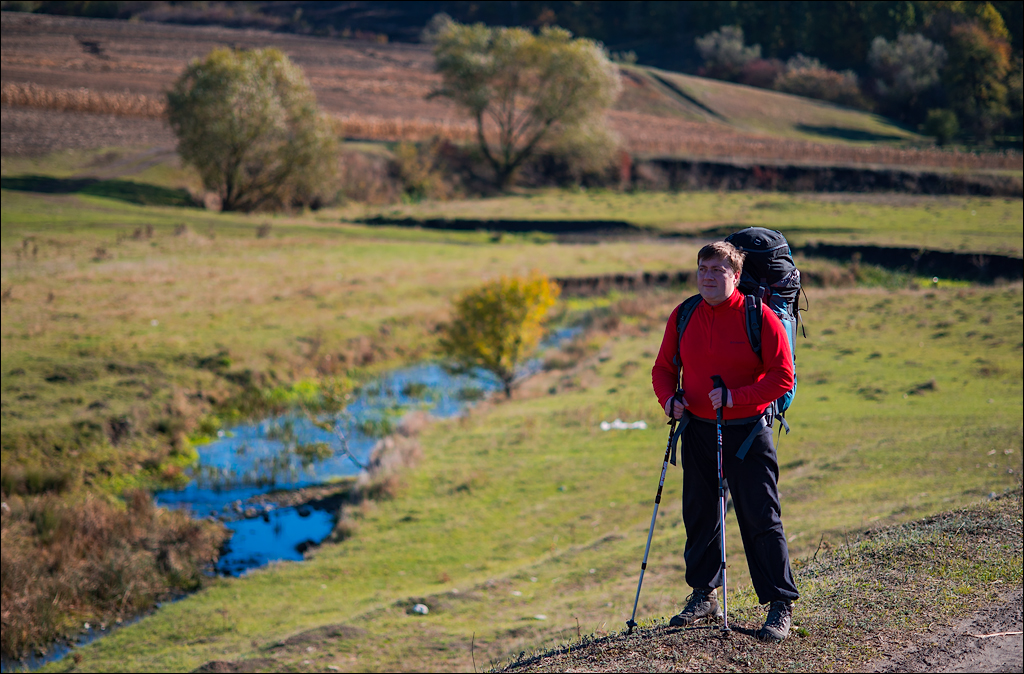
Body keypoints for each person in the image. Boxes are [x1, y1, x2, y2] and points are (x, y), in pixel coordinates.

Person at [651, 241, 799, 642]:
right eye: (703, 269)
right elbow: (664, 368)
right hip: (697, 429)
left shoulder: (759, 317)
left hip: (748, 430)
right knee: (699, 513)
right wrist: (671, 400)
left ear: (735, 276)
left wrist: (737, 397)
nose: (708, 276)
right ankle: (703, 595)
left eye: (718, 270)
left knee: (761, 517)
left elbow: (781, 377)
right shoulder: (683, 315)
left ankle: (779, 603)